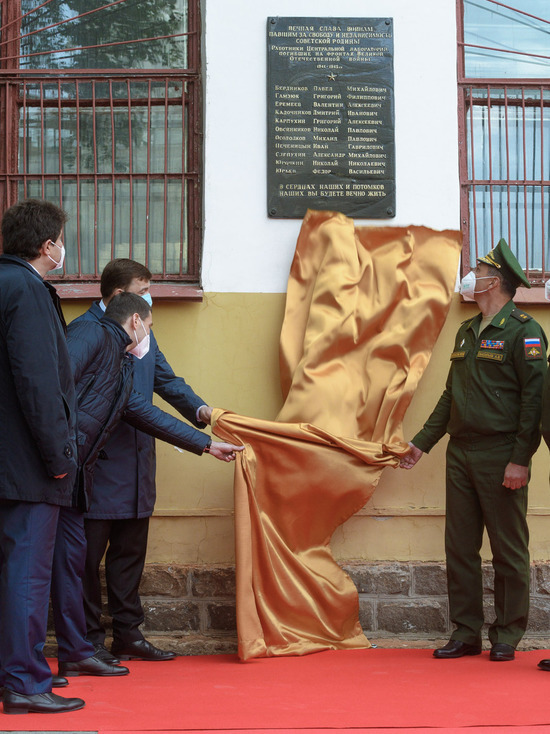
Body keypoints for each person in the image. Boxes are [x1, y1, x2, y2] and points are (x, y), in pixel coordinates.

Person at [52, 292, 242, 679]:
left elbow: (143, 411)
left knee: (84, 561)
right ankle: (74, 649)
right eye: (150, 326)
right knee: (69, 564)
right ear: (135, 320)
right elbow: (52, 393)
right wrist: (56, 456)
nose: (150, 336)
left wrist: (204, 443)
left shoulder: (123, 361)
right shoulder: (89, 335)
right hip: (62, 472)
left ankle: (85, 649)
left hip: (76, 471)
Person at [400, 239, 547, 662]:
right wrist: (422, 444)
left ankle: (507, 633)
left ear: (494, 281)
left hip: (501, 454)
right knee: (459, 546)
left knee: (508, 548)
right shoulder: (468, 331)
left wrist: (521, 459)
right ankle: (465, 632)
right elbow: (451, 397)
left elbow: (533, 404)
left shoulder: (525, 331)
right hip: (460, 454)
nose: (471, 276)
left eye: (478, 271)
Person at [0, 199, 84, 714]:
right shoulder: (28, 290)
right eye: (61, 240)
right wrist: (59, 457)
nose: (62, 248)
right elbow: (39, 384)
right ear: (47, 245)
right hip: (27, 463)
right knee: (26, 574)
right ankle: (26, 682)